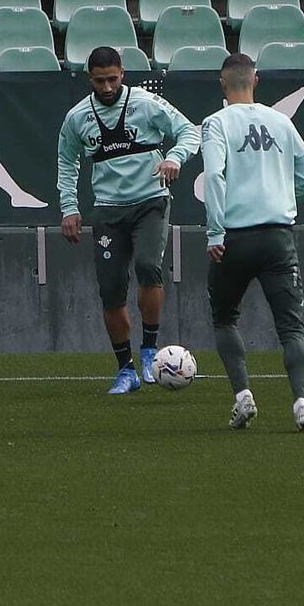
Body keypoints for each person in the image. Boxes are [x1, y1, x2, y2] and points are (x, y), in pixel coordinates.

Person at [56, 47, 200, 394]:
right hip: (108, 210)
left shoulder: (147, 104)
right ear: (88, 78)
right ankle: (126, 370)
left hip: (150, 201)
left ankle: (150, 351)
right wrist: (69, 207)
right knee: (110, 290)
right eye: (99, 80)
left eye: (112, 79)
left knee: (149, 267)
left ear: (123, 74)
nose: (106, 87)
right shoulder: (77, 118)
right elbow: (67, 162)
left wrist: (175, 158)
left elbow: (189, 132)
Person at [201, 53, 304, 432]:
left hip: (234, 237)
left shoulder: (215, 124)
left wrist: (214, 232)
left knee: (224, 318)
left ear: (222, 84)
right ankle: (302, 403)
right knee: (291, 328)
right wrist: (282, 200)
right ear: (257, 80)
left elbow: (214, 177)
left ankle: (243, 396)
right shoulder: (282, 122)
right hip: (277, 236)